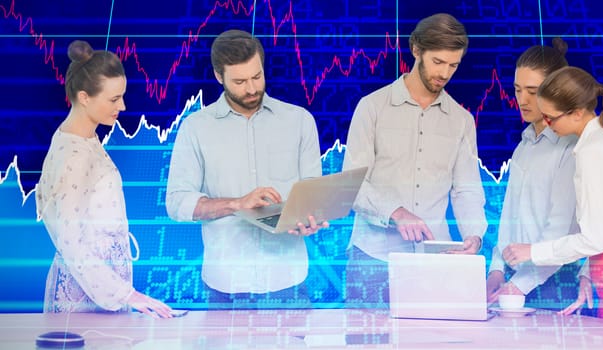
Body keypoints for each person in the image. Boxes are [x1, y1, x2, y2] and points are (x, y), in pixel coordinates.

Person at [165, 29, 327, 309]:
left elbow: (314, 193)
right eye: (239, 81)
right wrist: (237, 204)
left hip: (289, 282)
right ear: (219, 76)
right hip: (225, 286)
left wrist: (309, 219)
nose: (252, 89)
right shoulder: (195, 128)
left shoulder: (299, 121)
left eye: (257, 77)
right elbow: (176, 203)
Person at [503, 66, 603, 326]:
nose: (546, 124)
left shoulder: (592, 151)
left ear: (577, 113)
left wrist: (532, 251)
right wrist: (589, 273)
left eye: (551, 118)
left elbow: (595, 239)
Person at [342, 13, 487, 307]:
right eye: (438, 62)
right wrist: (396, 212)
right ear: (416, 49)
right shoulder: (372, 108)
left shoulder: (462, 120)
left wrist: (474, 235)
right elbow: (352, 184)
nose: (445, 73)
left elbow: (467, 189)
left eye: (453, 65)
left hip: (434, 261)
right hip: (372, 260)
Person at [35, 40, 172, 318]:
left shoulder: (84, 138)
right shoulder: (74, 155)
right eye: (113, 99)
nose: (122, 105)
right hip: (84, 300)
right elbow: (70, 240)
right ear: (84, 97)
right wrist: (127, 295)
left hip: (100, 292)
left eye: (121, 96)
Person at [486, 38, 582, 310]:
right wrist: (496, 269)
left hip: (555, 285)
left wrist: (520, 284)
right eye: (517, 89)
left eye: (532, 90)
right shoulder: (523, 146)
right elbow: (509, 214)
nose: (522, 100)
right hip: (515, 281)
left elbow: (560, 229)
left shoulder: (571, 147)